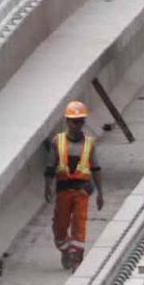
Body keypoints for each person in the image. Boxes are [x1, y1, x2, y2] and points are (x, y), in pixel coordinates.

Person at [44, 100, 104, 270]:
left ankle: (77, 258)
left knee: (79, 223)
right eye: (73, 121)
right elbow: (50, 167)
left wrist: (100, 193)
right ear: (67, 121)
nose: (77, 125)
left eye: (80, 121)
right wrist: (47, 186)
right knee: (59, 227)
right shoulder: (58, 142)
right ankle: (64, 249)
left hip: (82, 190)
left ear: (84, 122)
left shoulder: (89, 143)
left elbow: (96, 168)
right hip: (63, 190)